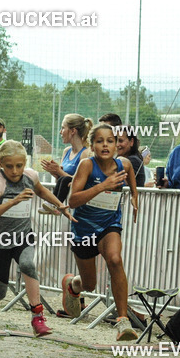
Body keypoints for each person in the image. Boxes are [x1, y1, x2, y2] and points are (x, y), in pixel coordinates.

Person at [0, 140, 74, 346]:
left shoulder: (30, 176)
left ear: (25, 163)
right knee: (0, 291)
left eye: (19, 165)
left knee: (28, 265)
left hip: (23, 236)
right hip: (0, 241)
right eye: (9, 166)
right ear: (1, 166)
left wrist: (60, 205)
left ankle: (37, 316)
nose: (15, 171)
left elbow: (41, 191)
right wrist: (13, 201)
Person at [60, 123, 139, 341]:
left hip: (109, 224)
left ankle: (123, 321)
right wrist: (102, 186)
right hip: (83, 228)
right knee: (89, 284)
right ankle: (73, 285)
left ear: (117, 145)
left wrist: (134, 195)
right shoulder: (86, 165)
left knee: (115, 259)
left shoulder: (123, 163)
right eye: (100, 141)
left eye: (110, 141)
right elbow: (72, 200)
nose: (105, 145)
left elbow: (131, 172)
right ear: (92, 145)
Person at [41, 113, 90, 202]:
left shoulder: (85, 154)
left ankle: (55, 204)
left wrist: (59, 171)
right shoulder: (66, 151)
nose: (60, 132)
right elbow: (61, 181)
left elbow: (79, 182)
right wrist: (56, 173)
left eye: (63, 128)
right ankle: (53, 203)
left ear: (73, 131)